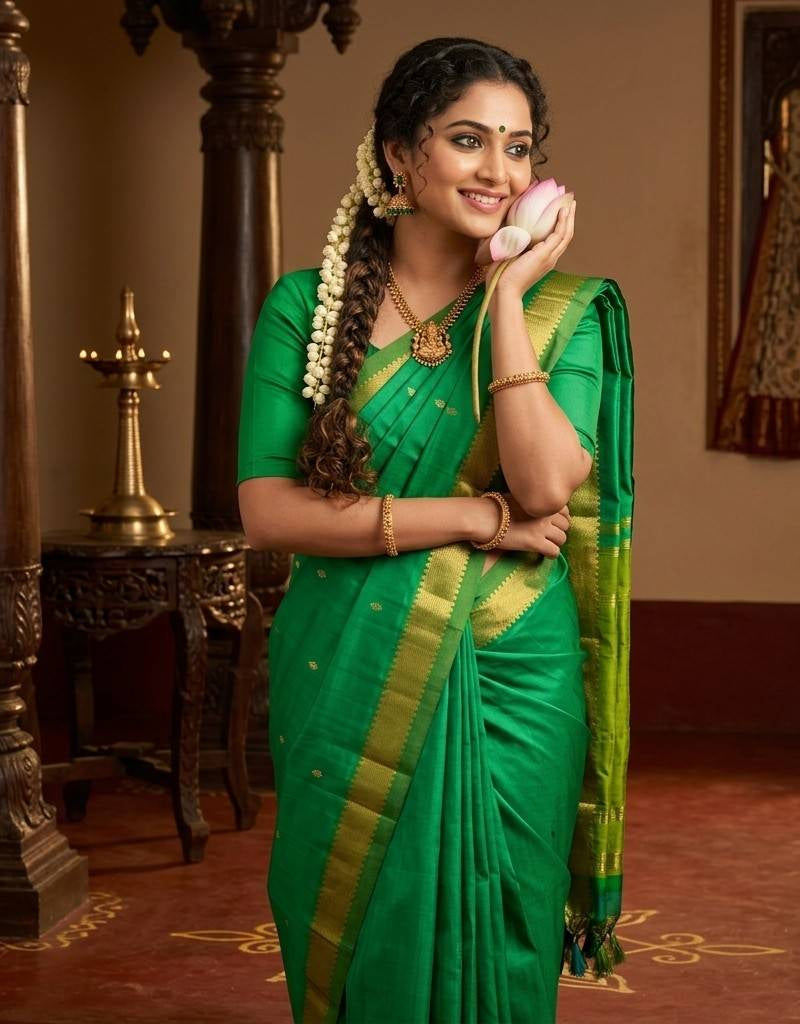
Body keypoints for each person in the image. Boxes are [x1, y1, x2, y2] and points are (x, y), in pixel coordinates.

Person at [236, 36, 634, 1024]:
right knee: (360, 916)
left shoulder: (559, 313)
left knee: (501, 923)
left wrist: (503, 298)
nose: (499, 172)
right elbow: (267, 512)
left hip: (511, 673)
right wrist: (469, 514)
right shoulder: (304, 307)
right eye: (467, 140)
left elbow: (542, 485)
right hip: (347, 663)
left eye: (518, 147)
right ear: (399, 156)